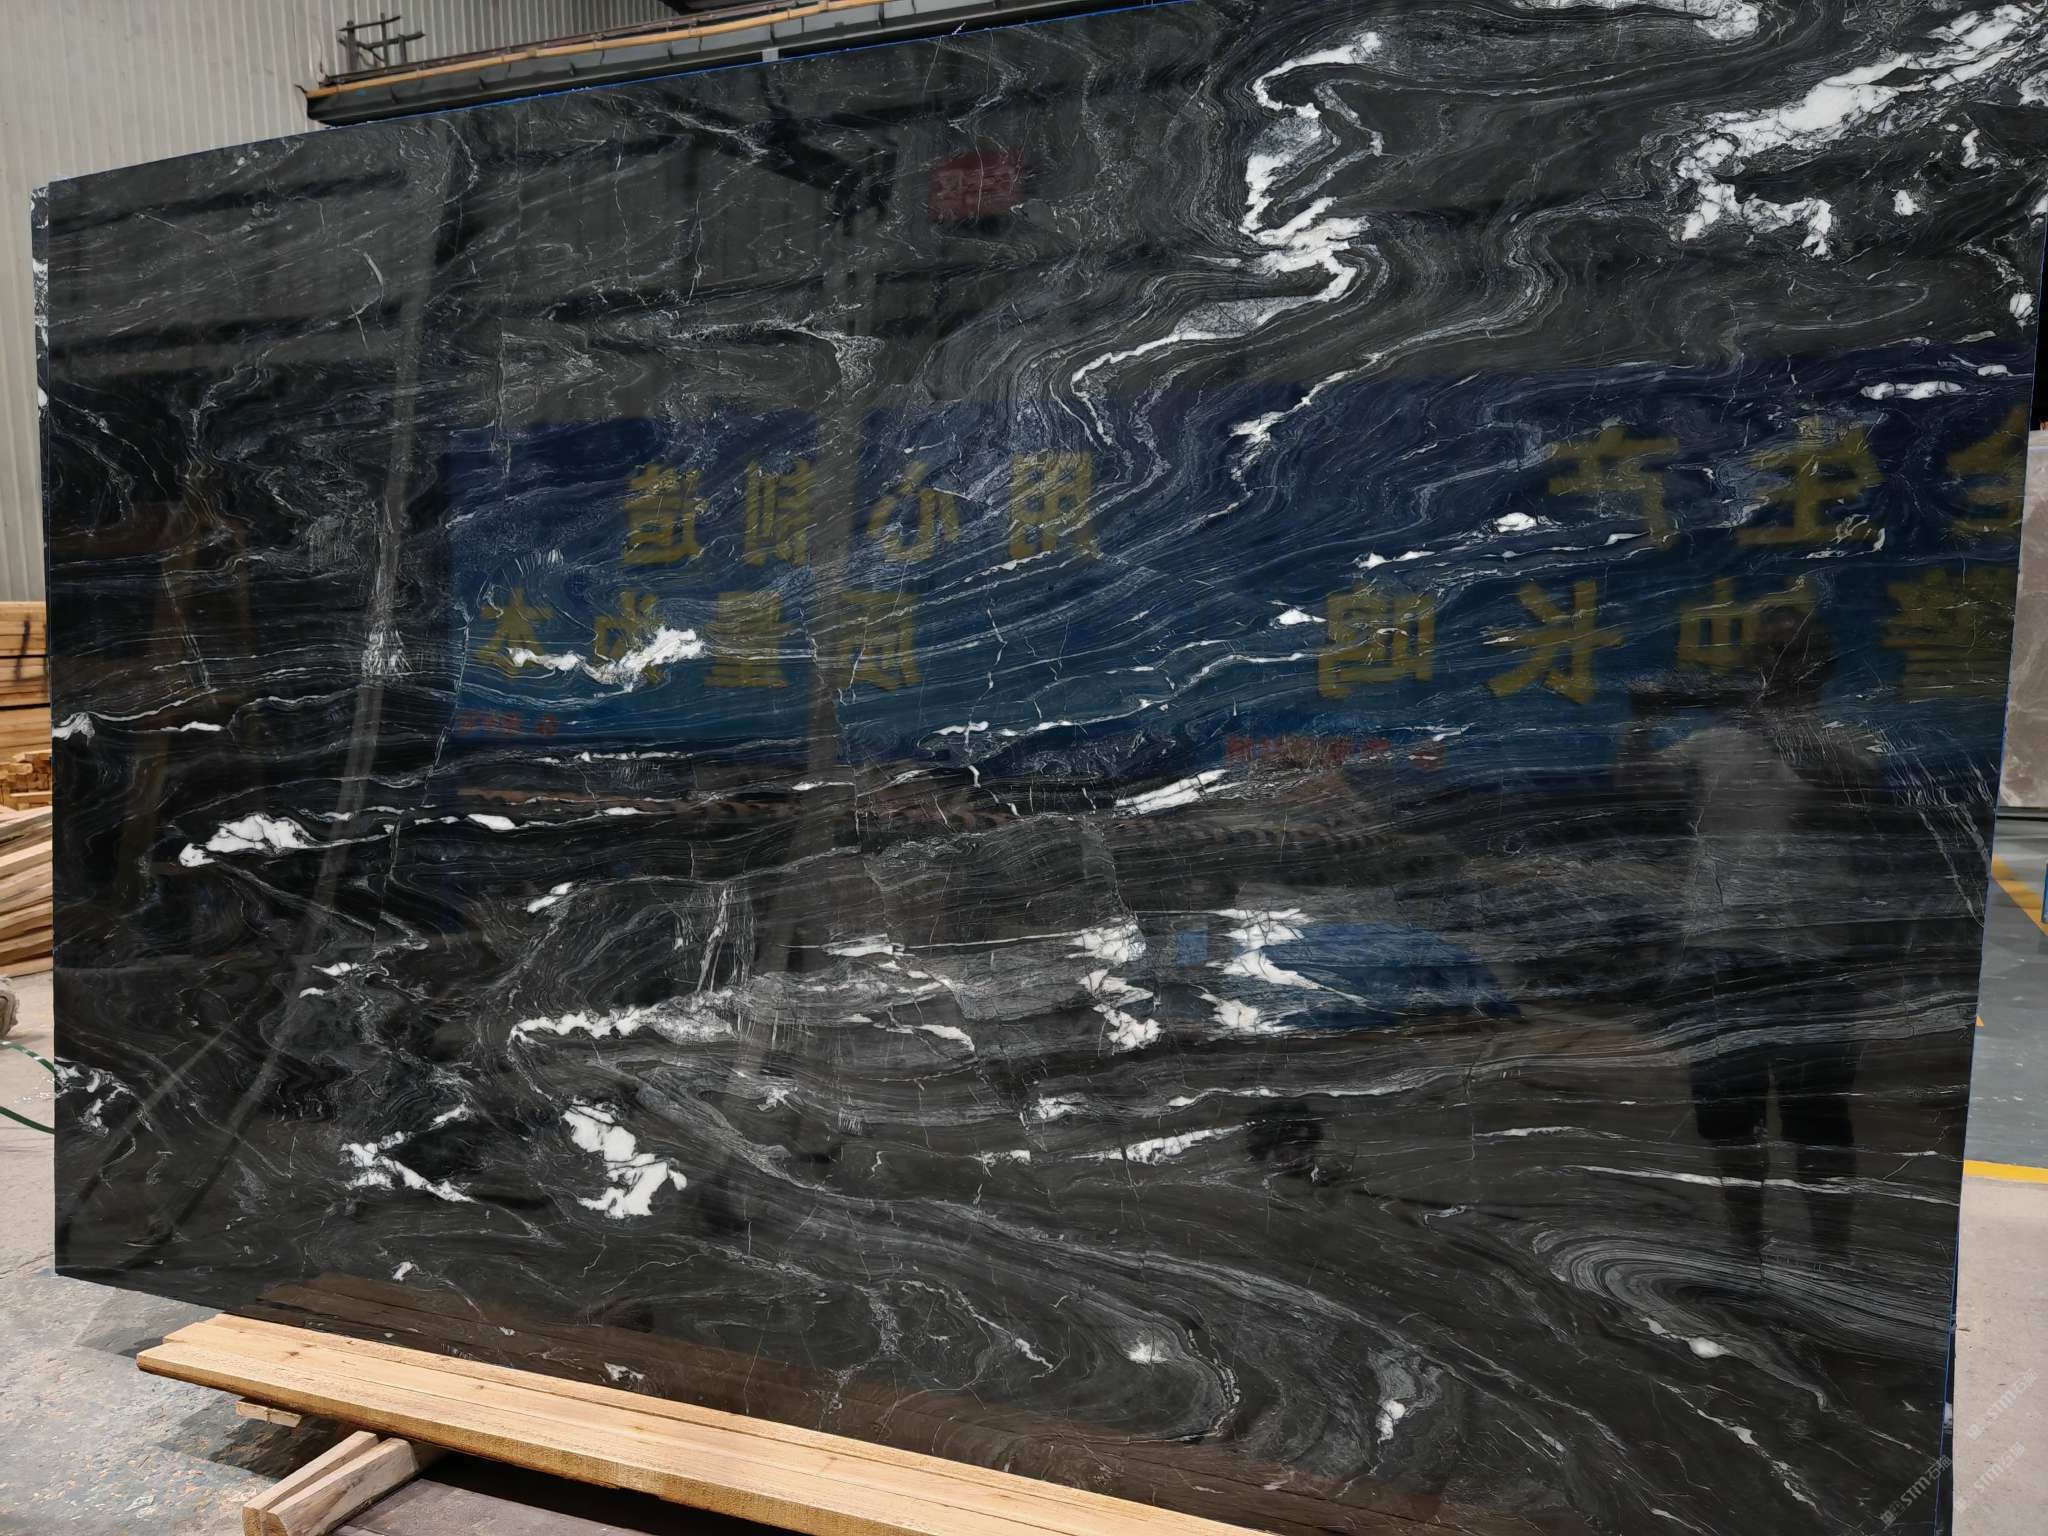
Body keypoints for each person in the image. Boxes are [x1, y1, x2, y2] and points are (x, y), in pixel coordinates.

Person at [1618, 604, 1876, 1257]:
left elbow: (1845, 795)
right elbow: (1636, 790)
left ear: (1821, 667)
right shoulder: (1712, 744)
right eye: (1766, 654)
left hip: (1811, 954)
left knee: (1819, 1119)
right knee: (1728, 1120)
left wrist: (1766, 719)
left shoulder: (1849, 740)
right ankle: (1745, 1253)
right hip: (1719, 947)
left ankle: (1833, 1259)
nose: (1777, 666)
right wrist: (1639, 722)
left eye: (1792, 654)